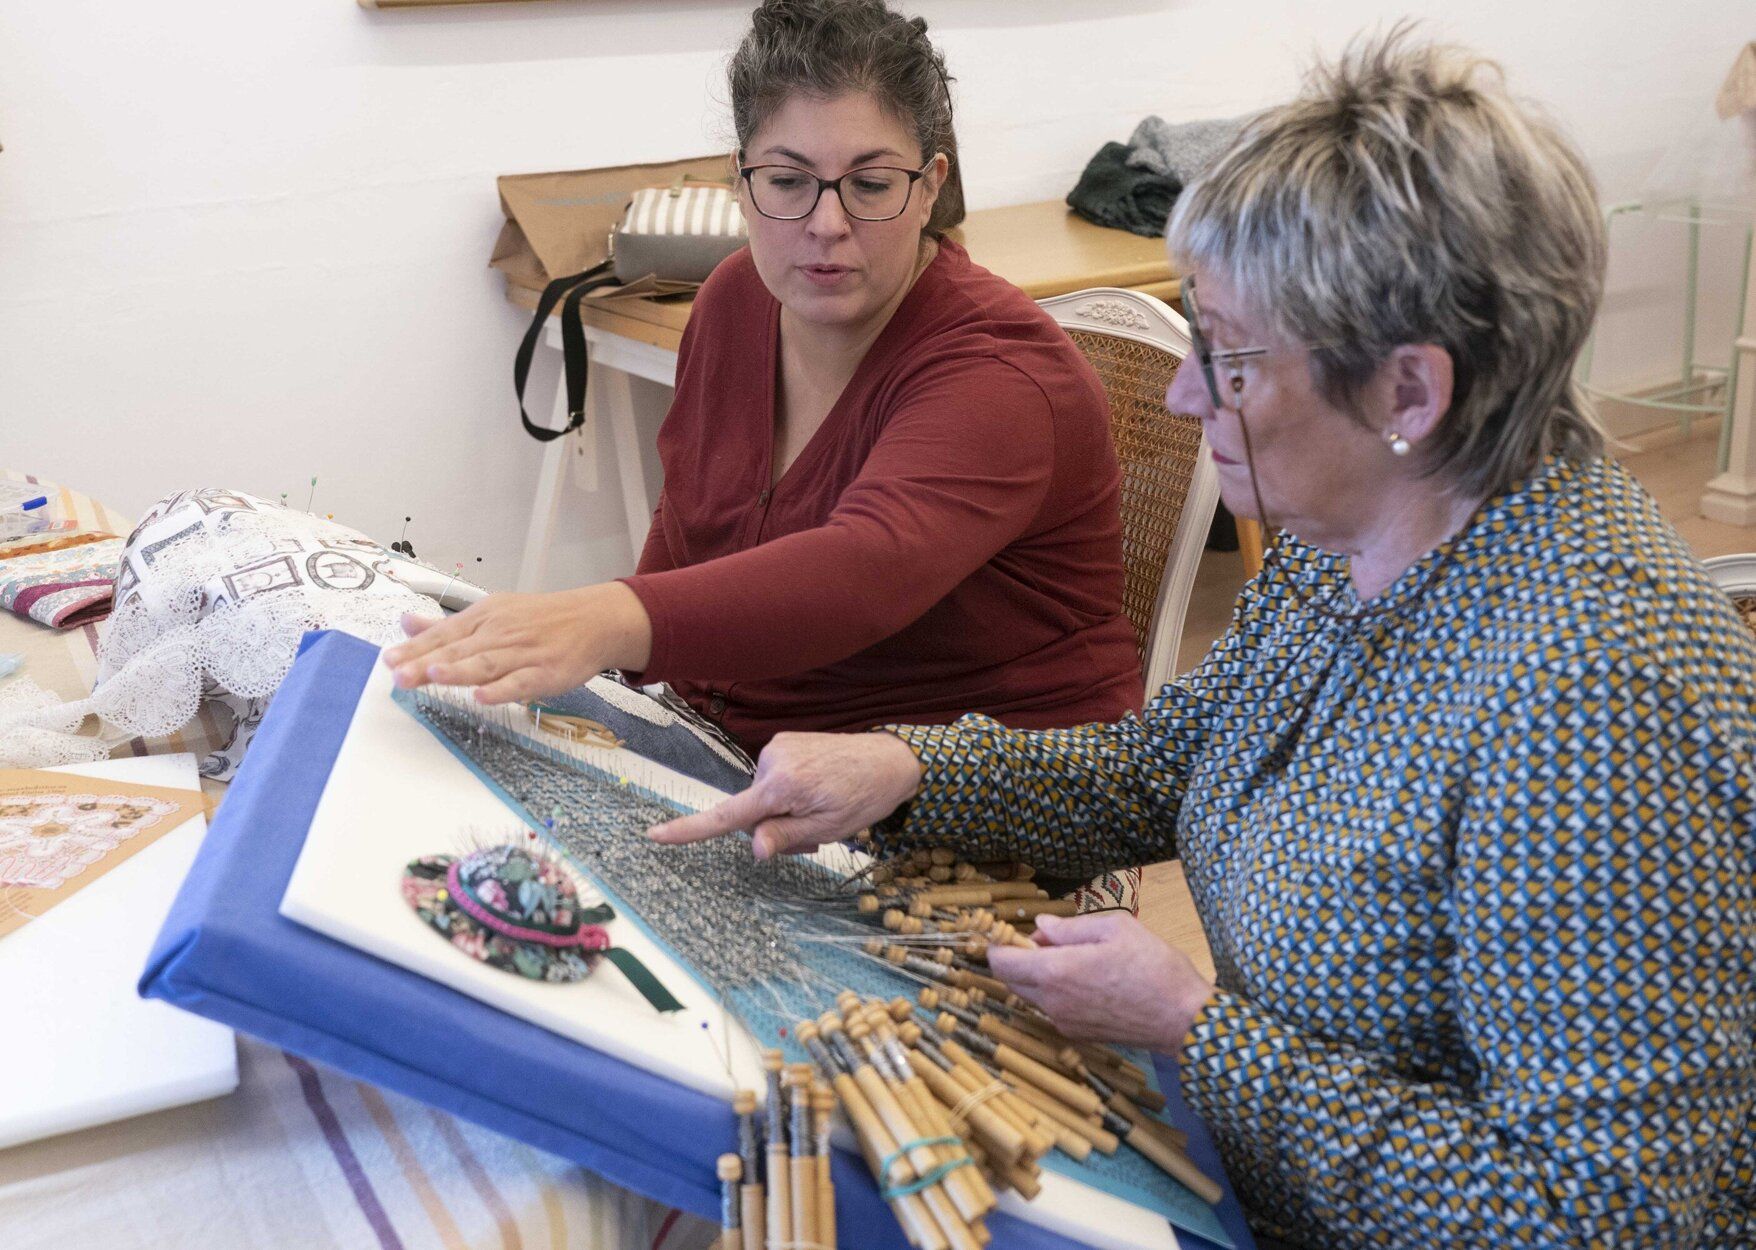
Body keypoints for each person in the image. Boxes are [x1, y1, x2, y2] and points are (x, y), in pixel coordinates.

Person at [652, 32, 1756, 1249]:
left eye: (1225, 357)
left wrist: (1194, 1028)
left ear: (1409, 392)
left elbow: (1602, 1216)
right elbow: (1157, 769)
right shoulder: (1350, 540)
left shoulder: (1598, 695)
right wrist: (907, 769)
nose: (1184, 397)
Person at [382, 0, 1141, 758]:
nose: (827, 223)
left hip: (972, 777)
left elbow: (863, 574)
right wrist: (631, 694)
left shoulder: (999, 372)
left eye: (871, 185)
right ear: (740, 184)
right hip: (749, 748)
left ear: (929, 188)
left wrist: (604, 619)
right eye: (787, 180)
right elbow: (686, 523)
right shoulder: (736, 299)